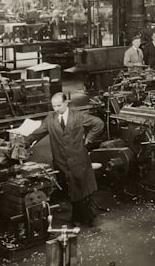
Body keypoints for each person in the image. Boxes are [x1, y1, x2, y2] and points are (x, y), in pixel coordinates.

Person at [24, 93, 105, 226]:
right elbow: (36, 134)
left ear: (66, 103)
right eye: (54, 106)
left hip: (79, 159)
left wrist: (89, 139)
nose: (56, 109)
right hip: (62, 162)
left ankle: (85, 218)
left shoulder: (78, 116)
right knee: (72, 189)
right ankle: (79, 217)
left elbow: (99, 123)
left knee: (82, 188)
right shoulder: (50, 120)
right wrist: (23, 143)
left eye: (59, 105)